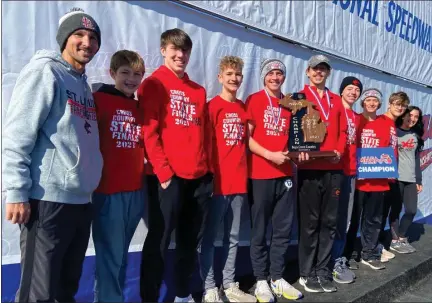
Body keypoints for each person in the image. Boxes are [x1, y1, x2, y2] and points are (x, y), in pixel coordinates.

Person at [2, 8, 103, 302]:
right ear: (64, 38)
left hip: (80, 201)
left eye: (93, 37)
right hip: (48, 200)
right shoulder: (46, 71)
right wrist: (17, 192)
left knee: (66, 286)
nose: (87, 42)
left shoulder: (82, 83)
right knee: (39, 290)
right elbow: (18, 133)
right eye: (79, 34)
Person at [138, 28, 213, 303]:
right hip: (167, 178)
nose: (180, 55)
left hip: (199, 177)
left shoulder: (197, 90)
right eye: (175, 49)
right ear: (163, 50)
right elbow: (149, 131)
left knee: (189, 242)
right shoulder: (154, 83)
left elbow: (203, 133)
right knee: (159, 240)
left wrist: (207, 171)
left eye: (185, 51)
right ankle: (150, 297)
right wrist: (163, 171)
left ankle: (182, 294)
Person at [246, 58, 304, 302]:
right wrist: (269, 154)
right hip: (260, 174)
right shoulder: (254, 100)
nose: (275, 77)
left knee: (282, 230)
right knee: (259, 231)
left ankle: (277, 277)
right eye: (271, 74)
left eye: (279, 74)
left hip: (286, 175)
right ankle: (261, 280)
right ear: (264, 77)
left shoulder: (291, 103)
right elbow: (246, 138)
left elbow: (299, 137)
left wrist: (301, 152)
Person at [198, 56, 256, 303]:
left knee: (233, 238)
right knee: (210, 239)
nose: (234, 79)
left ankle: (230, 284)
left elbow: (248, 141)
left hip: (239, 183)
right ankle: (210, 287)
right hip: (217, 185)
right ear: (220, 77)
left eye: (238, 75)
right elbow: (204, 145)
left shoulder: (244, 108)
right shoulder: (212, 107)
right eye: (229, 74)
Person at [92, 50, 146, 302]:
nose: (131, 79)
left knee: (121, 255)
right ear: (112, 73)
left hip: (135, 190)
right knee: (110, 256)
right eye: (125, 73)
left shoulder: (137, 106)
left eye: (137, 75)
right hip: (107, 192)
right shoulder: (98, 100)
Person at [297, 54, 347, 293]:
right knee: (310, 223)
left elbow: (344, 131)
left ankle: (323, 269)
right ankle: (306, 272)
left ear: (328, 73)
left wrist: (339, 150)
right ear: (308, 72)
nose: (319, 73)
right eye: (315, 69)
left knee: (329, 222)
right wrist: (298, 152)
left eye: (323, 69)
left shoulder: (336, 100)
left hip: (334, 169)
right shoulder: (298, 98)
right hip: (309, 169)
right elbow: (291, 131)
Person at [344, 88, 397, 271]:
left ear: (380, 104)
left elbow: (391, 147)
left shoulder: (386, 122)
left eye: (375, 100)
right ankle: (347, 255)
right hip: (358, 181)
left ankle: (369, 253)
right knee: (352, 220)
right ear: (363, 102)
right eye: (368, 100)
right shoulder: (356, 119)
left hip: (379, 181)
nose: (372, 103)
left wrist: (391, 170)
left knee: (374, 220)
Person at [331, 76, 363, 284]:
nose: (353, 92)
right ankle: (326, 261)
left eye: (356, 90)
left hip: (351, 173)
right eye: (349, 88)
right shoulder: (334, 108)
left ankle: (336, 260)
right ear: (341, 90)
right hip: (333, 172)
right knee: (330, 219)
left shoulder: (357, 117)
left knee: (345, 220)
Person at [386, 106, 424, 253]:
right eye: (410, 115)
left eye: (416, 117)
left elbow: (416, 159)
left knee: (411, 210)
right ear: (404, 115)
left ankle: (402, 236)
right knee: (395, 209)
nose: (412, 119)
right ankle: (395, 240)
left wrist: (418, 180)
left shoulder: (415, 135)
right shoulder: (394, 131)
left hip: (411, 178)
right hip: (396, 177)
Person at [380, 92, 411, 257]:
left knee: (385, 212)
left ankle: (378, 246)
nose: (400, 107)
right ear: (390, 103)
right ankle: (374, 247)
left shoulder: (392, 123)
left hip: (392, 175)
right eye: (397, 104)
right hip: (381, 176)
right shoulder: (382, 121)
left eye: (403, 105)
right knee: (378, 213)